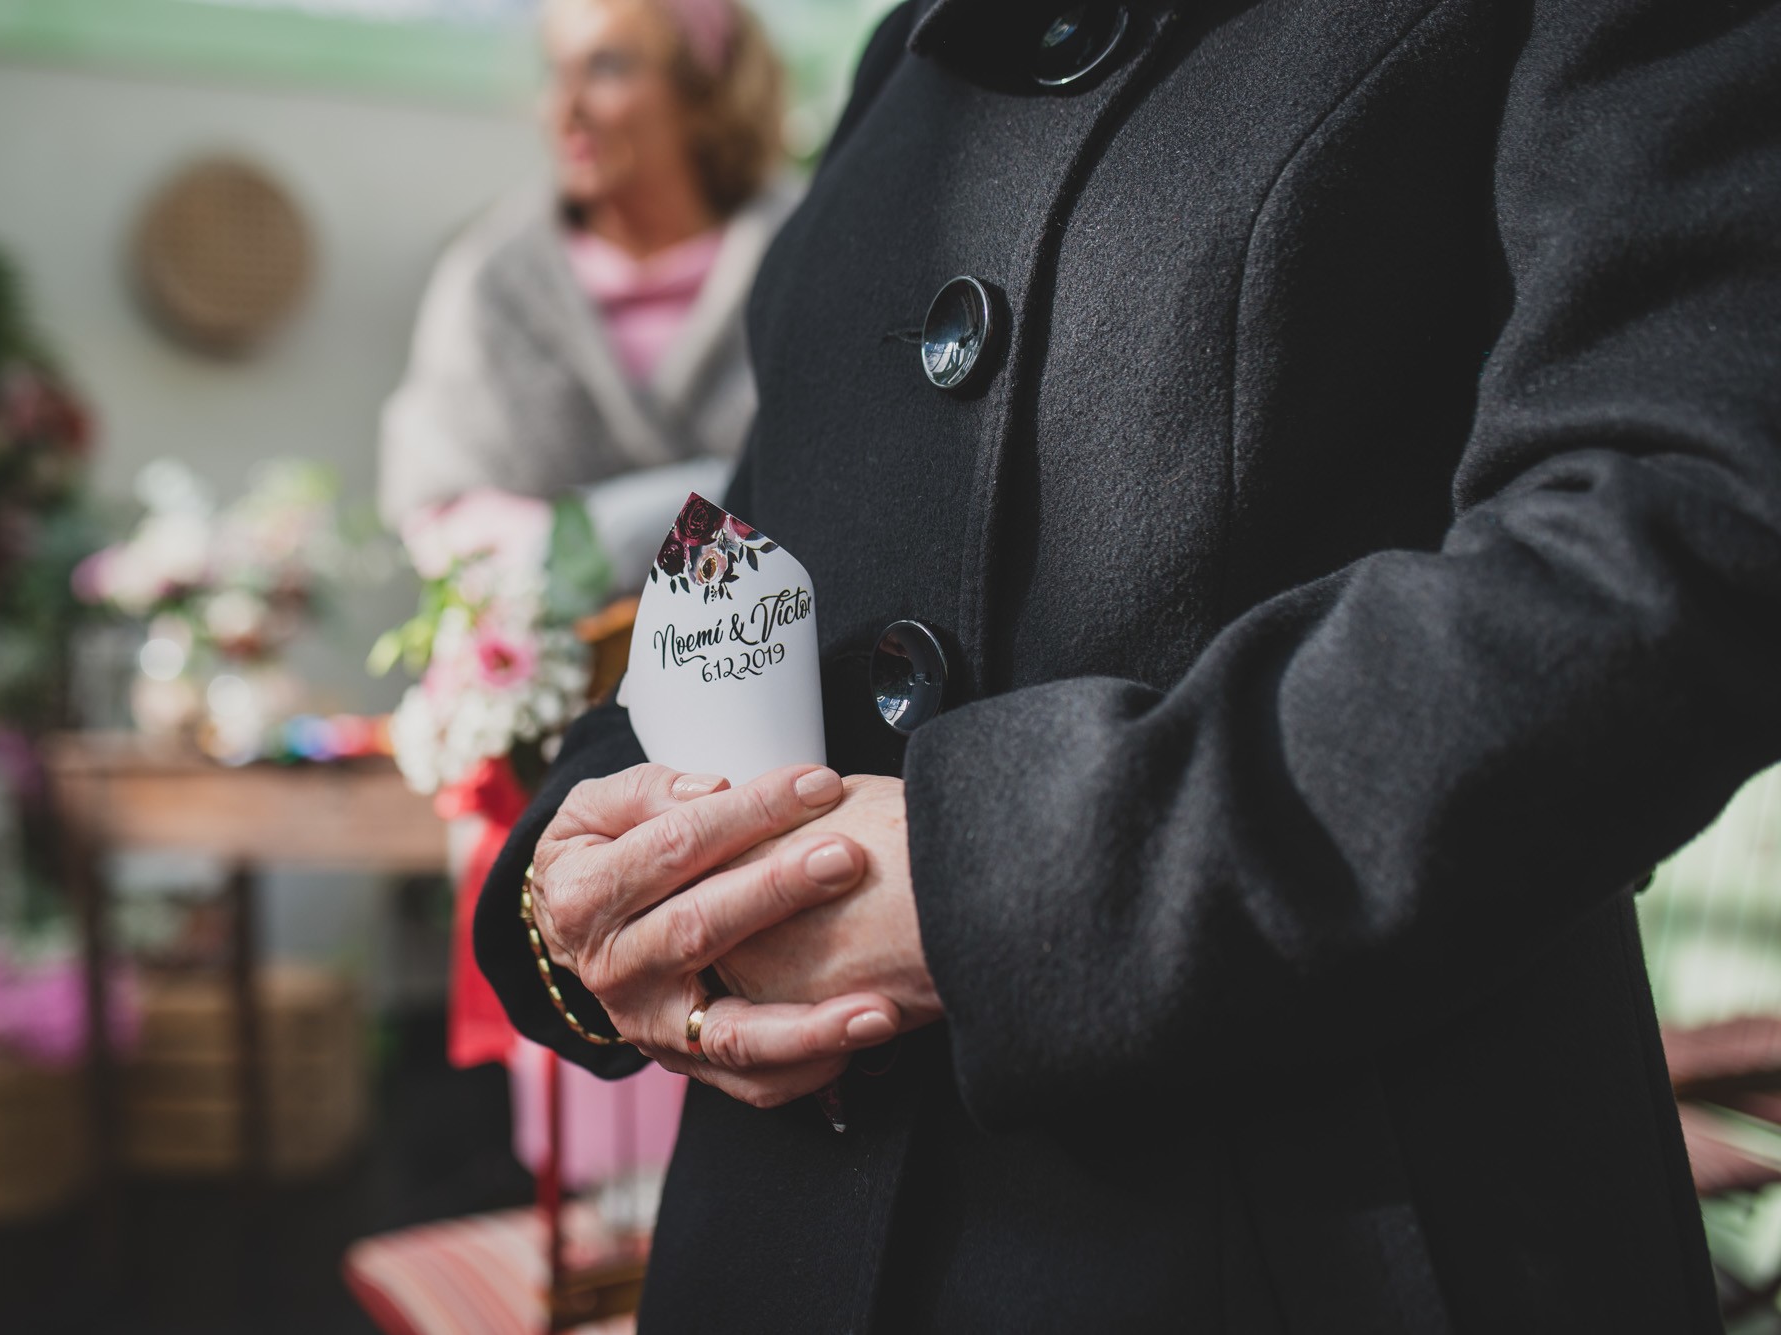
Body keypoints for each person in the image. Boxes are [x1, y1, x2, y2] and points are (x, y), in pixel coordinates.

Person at [475, 1, 1781, 1330]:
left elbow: (1684, 539)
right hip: (778, 1246)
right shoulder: (907, 56)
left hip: (1315, 1236)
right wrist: (575, 875)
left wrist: (997, 884)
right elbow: (758, 563)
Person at [377, 0, 795, 579]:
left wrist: (627, 530)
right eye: (555, 72)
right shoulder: (495, 279)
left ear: (704, 91)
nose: (565, 108)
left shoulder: (808, 254)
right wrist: (562, 558)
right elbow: (441, 497)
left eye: (608, 68)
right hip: (555, 652)